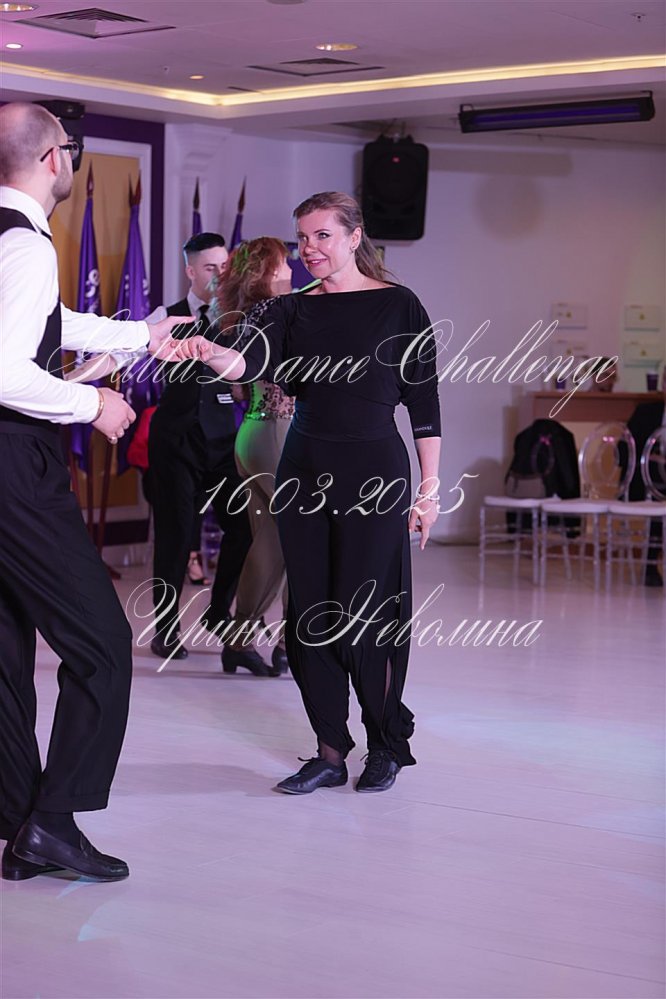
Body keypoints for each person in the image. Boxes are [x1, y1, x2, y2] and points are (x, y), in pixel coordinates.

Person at [160, 192, 441, 794]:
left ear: (354, 236)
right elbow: (247, 364)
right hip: (304, 471)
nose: (309, 249)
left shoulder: (399, 305)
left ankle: (385, 745)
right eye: (303, 239)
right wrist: (208, 351)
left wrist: (429, 491)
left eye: (322, 236)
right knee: (310, 614)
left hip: (375, 474)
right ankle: (330, 752)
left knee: (368, 613)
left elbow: (424, 404)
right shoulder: (288, 310)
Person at [0, 102, 190, 881]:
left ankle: (19, 820)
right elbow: (6, 369)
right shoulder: (25, 244)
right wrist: (94, 404)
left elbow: (44, 322)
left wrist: (139, 335)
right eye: (71, 148)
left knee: (6, 648)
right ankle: (52, 823)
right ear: (54, 158)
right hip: (13, 466)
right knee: (104, 644)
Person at [147, 232, 253, 660]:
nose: (219, 275)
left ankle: (218, 612)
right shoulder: (166, 316)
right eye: (210, 267)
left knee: (243, 527)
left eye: (224, 267)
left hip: (225, 441)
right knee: (174, 537)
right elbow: (136, 355)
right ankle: (165, 630)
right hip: (176, 442)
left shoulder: (236, 318)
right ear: (190, 270)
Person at [211, 237, 294, 676]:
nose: (292, 269)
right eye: (284, 263)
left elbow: (240, 389)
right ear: (267, 271)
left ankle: (243, 640)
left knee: (270, 538)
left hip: (253, 433)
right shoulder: (281, 312)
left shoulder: (246, 317)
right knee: (300, 534)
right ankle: (287, 642)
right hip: (279, 431)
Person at [625, 367, 666, 587]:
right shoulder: (646, 413)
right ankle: (650, 566)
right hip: (649, 478)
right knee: (658, 497)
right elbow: (625, 449)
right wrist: (650, 458)